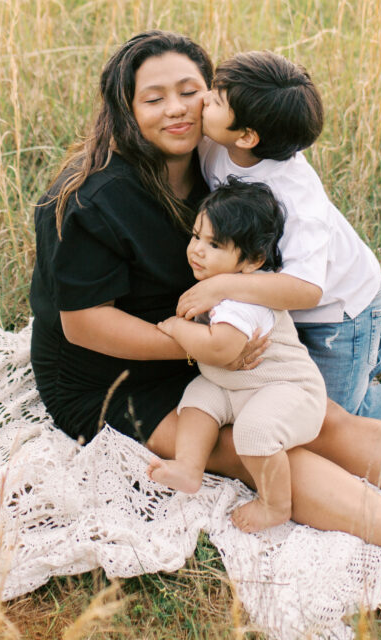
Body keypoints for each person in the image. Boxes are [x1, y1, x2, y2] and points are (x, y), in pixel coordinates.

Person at [29, 30, 381, 593]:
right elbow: (83, 325)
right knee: (256, 448)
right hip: (114, 371)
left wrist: (217, 339)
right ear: (125, 109)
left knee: (325, 419)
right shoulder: (89, 198)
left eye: (190, 90)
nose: (178, 109)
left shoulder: (222, 157)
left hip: (215, 338)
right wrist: (196, 344)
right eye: (154, 99)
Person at [181, 51, 381, 443]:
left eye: (216, 98)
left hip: (338, 310)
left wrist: (220, 287)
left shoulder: (295, 198)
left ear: (247, 135)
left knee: (327, 424)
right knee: (287, 394)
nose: (203, 100)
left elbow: (306, 288)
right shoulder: (215, 143)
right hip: (284, 306)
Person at [148, 180, 327, 533]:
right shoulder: (217, 283)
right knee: (197, 399)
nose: (197, 250)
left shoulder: (247, 299)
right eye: (196, 236)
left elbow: (220, 347)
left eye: (214, 244)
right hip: (235, 386)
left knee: (254, 432)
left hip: (287, 390)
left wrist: (175, 327)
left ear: (253, 261)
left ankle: (275, 504)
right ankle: (188, 466)